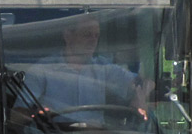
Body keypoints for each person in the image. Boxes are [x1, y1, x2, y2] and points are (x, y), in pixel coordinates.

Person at [20, 12, 150, 127]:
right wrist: (36, 115)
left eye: (96, 36)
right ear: (68, 36)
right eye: (87, 35)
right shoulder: (43, 70)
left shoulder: (103, 68)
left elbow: (146, 82)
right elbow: (18, 113)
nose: (93, 41)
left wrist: (139, 96)